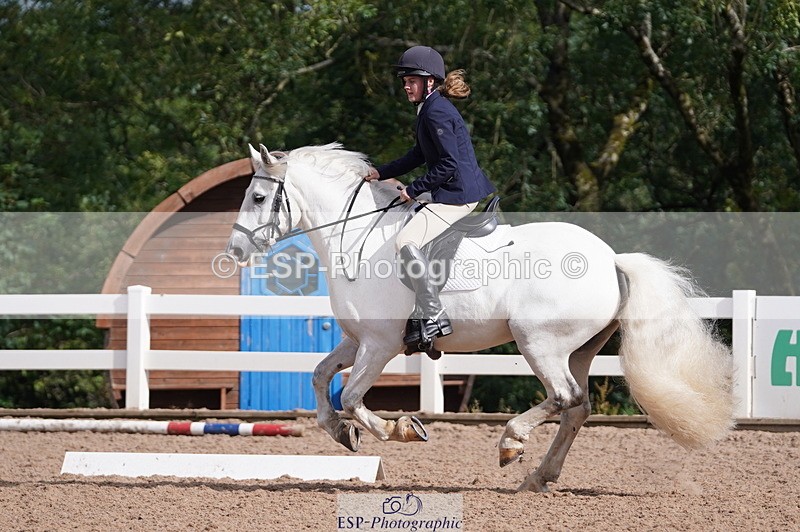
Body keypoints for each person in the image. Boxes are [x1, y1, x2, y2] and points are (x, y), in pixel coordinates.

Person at [365, 45, 495, 352]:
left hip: (458, 196)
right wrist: (379, 173)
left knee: (404, 242)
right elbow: (419, 154)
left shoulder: (436, 111)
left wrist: (412, 189)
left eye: (412, 79)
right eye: (405, 80)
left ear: (430, 82)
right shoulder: (429, 109)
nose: (406, 85)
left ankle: (433, 311)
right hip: (449, 192)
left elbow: (448, 163)